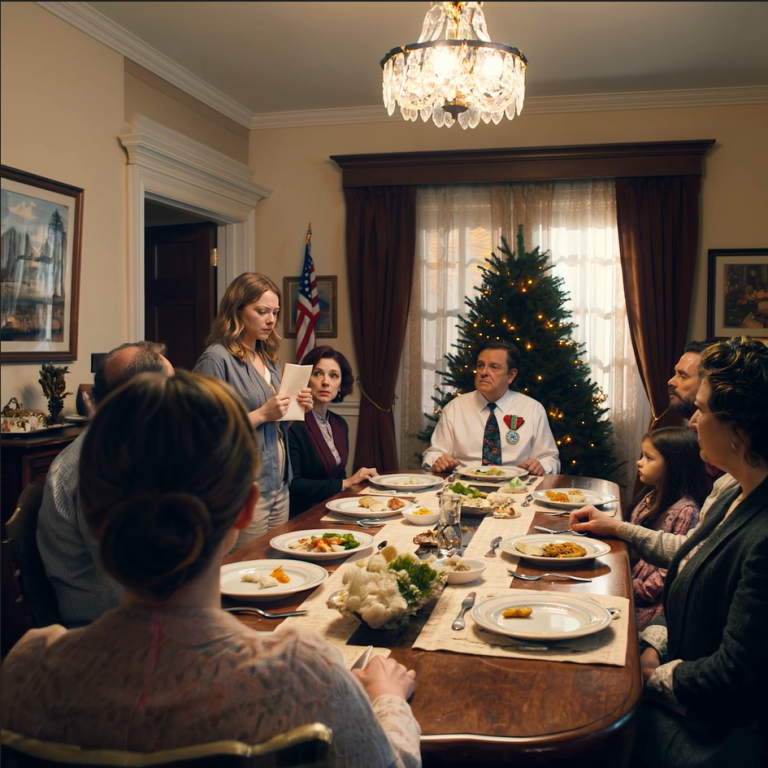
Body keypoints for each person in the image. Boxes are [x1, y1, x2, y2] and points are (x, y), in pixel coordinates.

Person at [1, 371, 422, 768]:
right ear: (245, 509)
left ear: (90, 515)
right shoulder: (302, 678)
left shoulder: (27, 673)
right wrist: (388, 701)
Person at [577, 337, 767, 766]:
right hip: (677, 678)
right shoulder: (729, 487)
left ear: (738, 431)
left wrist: (652, 676)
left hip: (709, 731)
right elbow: (688, 564)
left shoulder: (762, 538)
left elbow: (732, 676)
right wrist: (656, 644)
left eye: (702, 410)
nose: (693, 421)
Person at [36, 341, 174, 627]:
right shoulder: (97, 466)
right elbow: (126, 580)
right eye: (171, 388)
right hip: (105, 628)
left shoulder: (129, 445)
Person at [193, 273, 313, 548]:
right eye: (261, 311)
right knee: (244, 567)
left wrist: (295, 408)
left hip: (279, 482)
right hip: (243, 487)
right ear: (237, 310)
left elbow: (276, 427)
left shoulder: (266, 357)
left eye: (275, 312)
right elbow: (203, 432)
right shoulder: (216, 358)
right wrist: (262, 414)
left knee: (273, 564)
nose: (271, 320)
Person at [422, 340, 560, 476]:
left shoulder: (532, 409)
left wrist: (540, 465)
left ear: (511, 375)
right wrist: (438, 461)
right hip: (465, 488)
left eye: (494, 367)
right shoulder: (455, 408)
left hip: (516, 489)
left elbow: (550, 459)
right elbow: (433, 454)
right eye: (480, 365)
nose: (484, 372)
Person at [626, 427, 707, 630]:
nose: (639, 462)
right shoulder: (650, 496)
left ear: (674, 465)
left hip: (650, 604)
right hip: (633, 579)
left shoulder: (686, 511)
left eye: (649, 458)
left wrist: (635, 589)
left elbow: (669, 570)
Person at [288, 345, 377, 517]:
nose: (325, 382)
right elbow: (295, 485)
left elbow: (338, 474)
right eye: (318, 373)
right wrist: (347, 482)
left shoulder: (339, 424)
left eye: (333, 375)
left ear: (341, 384)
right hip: (303, 514)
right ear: (306, 379)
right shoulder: (294, 424)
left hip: (335, 508)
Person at [668, 338, 724, 488]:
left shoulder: (721, 451)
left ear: (708, 384)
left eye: (683, 376)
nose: (671, 381)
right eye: (675, 373)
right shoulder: (689, 436)